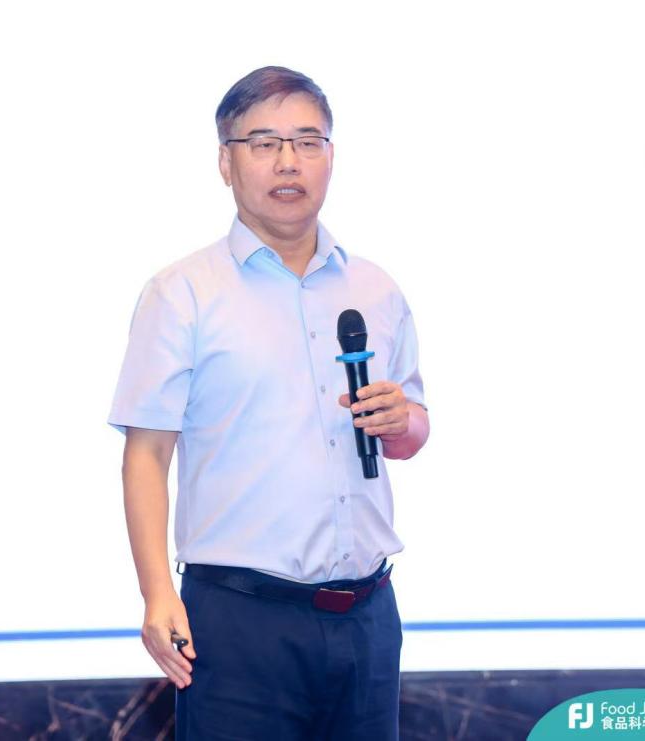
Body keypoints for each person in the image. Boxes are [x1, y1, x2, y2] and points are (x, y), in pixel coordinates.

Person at [108, 66, 429, 740]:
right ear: (226, 162)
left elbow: (412, 430)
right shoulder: (182, 293)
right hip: (239, 622)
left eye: (308, 142)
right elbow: (146, 455)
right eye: (264, 143)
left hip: (368, 617)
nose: (289, 162)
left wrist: (403, 421)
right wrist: (156, 593)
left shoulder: (375, 289)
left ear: (331, 156)